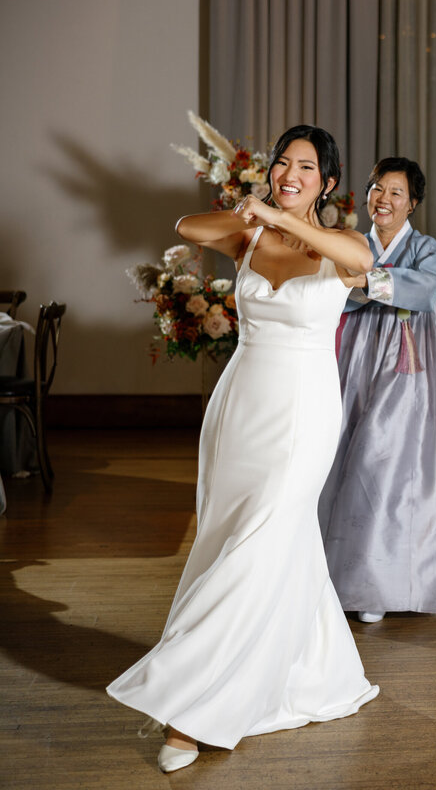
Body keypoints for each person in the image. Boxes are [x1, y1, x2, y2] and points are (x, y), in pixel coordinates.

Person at [108, 125, 379, 772]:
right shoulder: (248, 235)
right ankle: (314, 666)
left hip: (304, 410)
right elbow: (185, 226)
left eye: (306, 168)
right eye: (283, 163)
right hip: (240, 406)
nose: (290, 173)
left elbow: (363, 265)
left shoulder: (346, 245)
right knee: (240, 536)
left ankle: (190, 709)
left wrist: (286, 218)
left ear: (330, 182)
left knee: (262, 535)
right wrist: (253, 215)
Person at [319, 157, 436, 623]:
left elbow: (426, 287)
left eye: (396, 192)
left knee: (385, 457)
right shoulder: (350, 242)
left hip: (409, 361)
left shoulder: (425, 248)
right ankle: (335, 572)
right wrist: (353, 284)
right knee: (342, 452)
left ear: (413, 204)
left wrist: (365, 280)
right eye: (377, 189)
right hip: (355, 354)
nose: (383, 199)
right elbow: (333, 289)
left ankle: (377, 583)